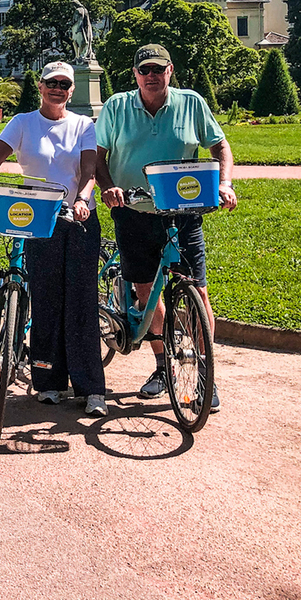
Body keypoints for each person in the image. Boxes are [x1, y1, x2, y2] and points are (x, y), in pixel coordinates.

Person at [0, 62, 106, 416]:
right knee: (46, 299)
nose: (57, 88)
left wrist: (83, 199)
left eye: (64, 84)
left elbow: (89, 171)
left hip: (78, 218)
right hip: (38, 219)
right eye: (51, 82)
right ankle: (48, 381)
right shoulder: (22, 123)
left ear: (71, 90)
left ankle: (90, 388)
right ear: (40, 86)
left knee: (82, 301)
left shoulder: (84, 125)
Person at [95, 44, 236, 412]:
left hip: (183, 211)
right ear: (135, 74)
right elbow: (97, 156)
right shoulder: (116, 107)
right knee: (145, 290)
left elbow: (221, 147)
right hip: (133, 209)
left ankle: (205, 375)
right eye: (145, 70)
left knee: (199, 294)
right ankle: (162, 366)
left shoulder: (191, 103)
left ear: (170, 70)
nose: (151, 75)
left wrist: (224, 183)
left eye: (158, 69)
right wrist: (108, 186)